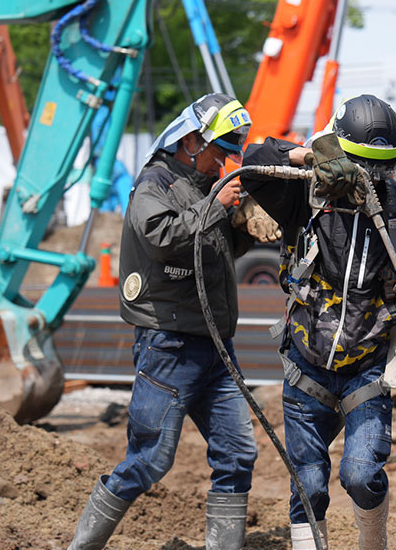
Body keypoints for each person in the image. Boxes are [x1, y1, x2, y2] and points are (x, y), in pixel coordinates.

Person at [240, 94, 396, 549]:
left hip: (367, 368)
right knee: (308, 487)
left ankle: (373, 541)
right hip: (306, 368)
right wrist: (310, 154)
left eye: (386, 167)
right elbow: (252, 162)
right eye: (365, 165)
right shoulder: (302, 197)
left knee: (362, 476)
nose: (375, 178)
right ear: (339, 152)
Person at [68, 93, 275, 550]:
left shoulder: (205, 188)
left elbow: (210, 253)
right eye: (219, 149)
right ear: (191, 140)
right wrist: (217, 206)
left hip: (216, 346)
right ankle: (81, 546)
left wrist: (240, 226)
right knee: (149, 460)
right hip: (169, 346)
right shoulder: (154, 185)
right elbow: (163, 238)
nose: (224, 160)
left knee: (238, 454)